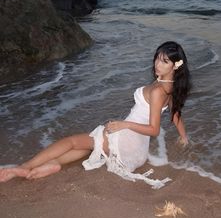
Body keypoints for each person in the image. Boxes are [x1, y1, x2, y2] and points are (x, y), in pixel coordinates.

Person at [0, 41, 191, 188]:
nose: (158, 64)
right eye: (158, 57)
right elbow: (175, 114)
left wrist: (123, 125)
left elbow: (154, 130)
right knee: (90, 146)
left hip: (127, 139)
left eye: (164, 61)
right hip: (136, 148)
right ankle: (53, 164)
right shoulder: (169, 87)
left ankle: (24, 166)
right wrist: (184, 137)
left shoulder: (159, 91)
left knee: (72, 141)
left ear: (175, 66)